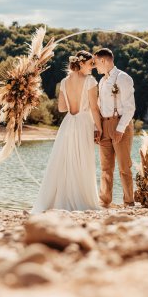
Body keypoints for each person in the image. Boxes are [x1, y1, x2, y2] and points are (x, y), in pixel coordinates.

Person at [31, 51, 102, 213]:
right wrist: (99, 128)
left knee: (67, 161)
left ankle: (64, 198)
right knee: (84, 160)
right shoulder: (90, 81)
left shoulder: (64, 82)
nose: (93, 67)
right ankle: (83, 200)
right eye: (91, 64)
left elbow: (62, 108)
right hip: (84, 122)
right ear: (82, 64)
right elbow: (94, 108)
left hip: (69, 123)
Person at [93, 48, 136, 208]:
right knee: (105, 167)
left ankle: (129, 202)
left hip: (120, 125)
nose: (95, 66)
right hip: (103, 126)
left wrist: (120, 128)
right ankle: (105, 201)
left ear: (103, 61)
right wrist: (96, 127)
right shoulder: (102, 81)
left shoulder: (123, 78)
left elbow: (130, 107)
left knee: (124, 167)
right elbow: (98, 105)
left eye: (96, 62)